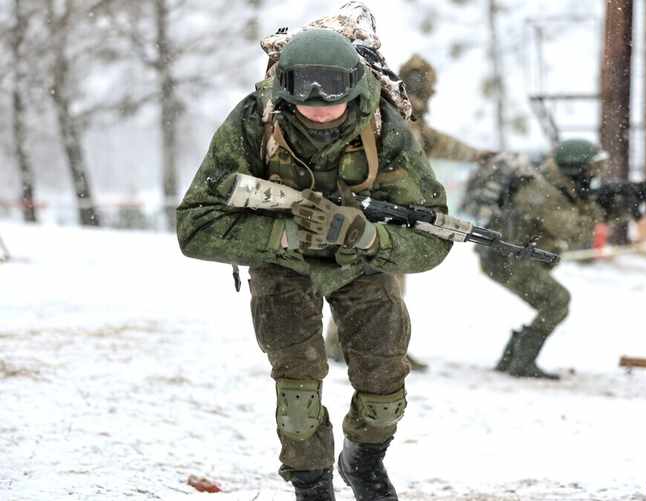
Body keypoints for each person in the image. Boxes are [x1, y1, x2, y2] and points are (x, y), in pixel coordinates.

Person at [176, 28, 451, 501]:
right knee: (298, 391)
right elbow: (194, 228)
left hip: (360, 262)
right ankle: (312, 485)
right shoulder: (254, 120)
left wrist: (365, 233)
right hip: (281, 262)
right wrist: (287, 234)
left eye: (332, 88)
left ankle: (362, 462)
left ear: (354, 83)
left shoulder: (385, 129)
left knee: (385, 386)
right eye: (305, 89)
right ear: (285, 87)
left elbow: (432, 240)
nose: (320, 103)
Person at [324, 54, 488, 369]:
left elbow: (436, 142)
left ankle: (350, 342)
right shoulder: (391, 112)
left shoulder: (403, 113)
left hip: (389, 206)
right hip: (377, 204)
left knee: (376, 277)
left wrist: (476, 154)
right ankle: (374, 345)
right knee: (383, 280)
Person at [477, 139, 608, 380]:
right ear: (575, 169)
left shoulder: (556, 184)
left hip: (509, 256)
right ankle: (521, 363)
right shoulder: (542, 191)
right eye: (592, 169)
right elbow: (574, 233)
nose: (596, 175)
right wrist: (597, 207)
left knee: (551, 302)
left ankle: (511, 359)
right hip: (505, 260)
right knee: (556, 301)